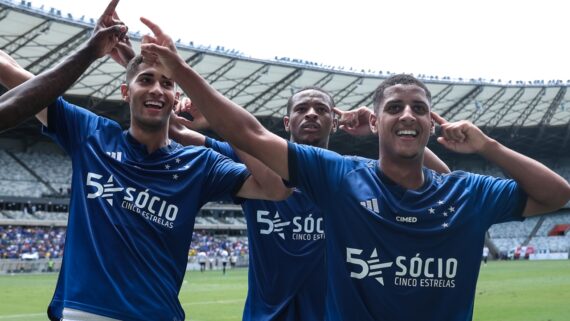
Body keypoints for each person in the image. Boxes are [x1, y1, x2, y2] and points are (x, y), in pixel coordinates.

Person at [139, 19, 570, 321]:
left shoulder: (455, 190)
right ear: (375, 120)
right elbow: (248, 134)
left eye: (419, 109)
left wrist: (488, 145)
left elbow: (556, 193)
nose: (407, 115)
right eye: (395, 108)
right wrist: (178, 74)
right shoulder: (340, 176)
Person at [0, 4, 280, 321]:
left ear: (177, 96)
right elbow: (10, 70)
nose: (157, 89)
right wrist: (89, 51)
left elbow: (275, 186)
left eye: (167, 83)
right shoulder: (90, 135)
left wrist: (215, 116)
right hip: (84, 313)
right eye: (146, 80)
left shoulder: (200, 164)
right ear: (125, 91)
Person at [169, 86, 449, 321]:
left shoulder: (357, 175)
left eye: (321, 109)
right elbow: (179, 135)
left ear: (335, 122)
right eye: (302, 109)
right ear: (287, 122)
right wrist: (170, 99)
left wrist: (385, 131)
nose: (312, 113)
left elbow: (445, 184)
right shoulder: (249, 157)